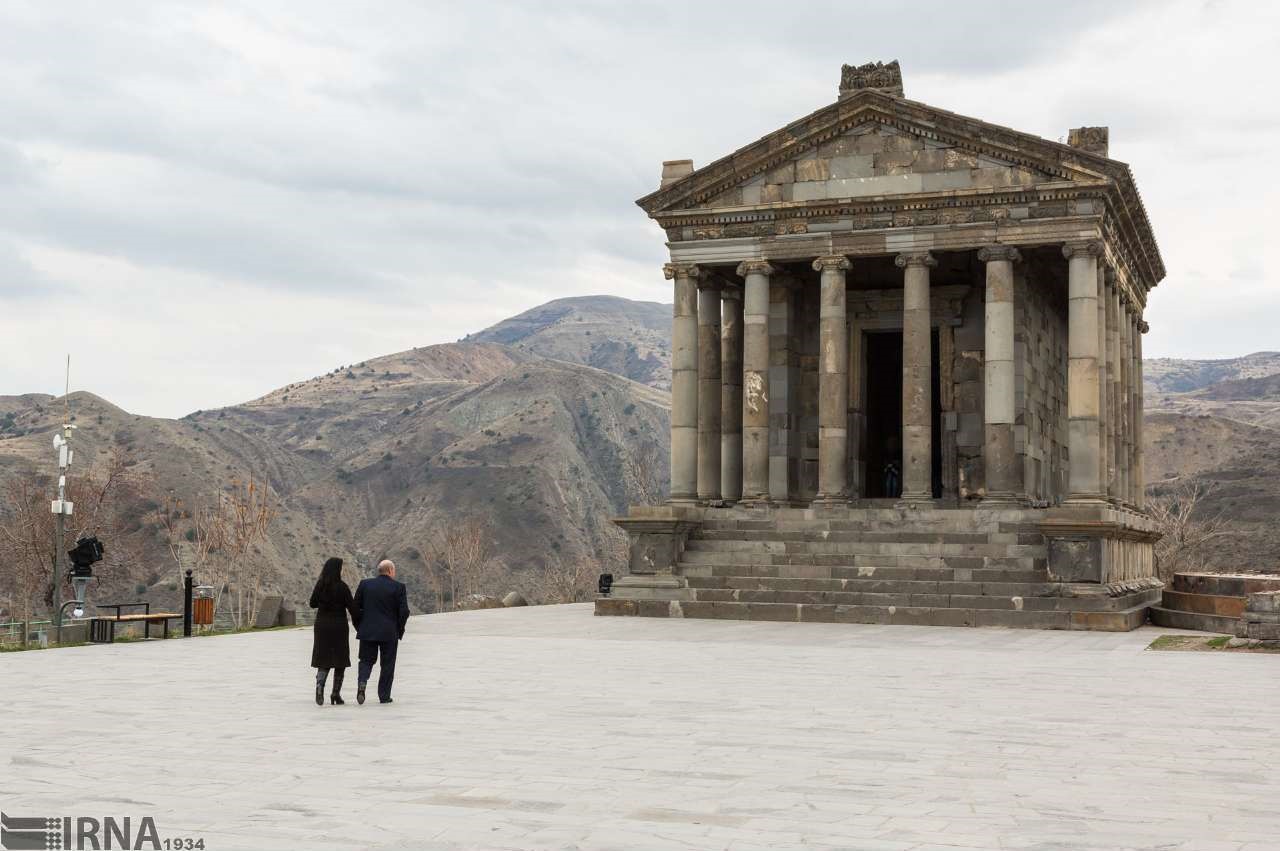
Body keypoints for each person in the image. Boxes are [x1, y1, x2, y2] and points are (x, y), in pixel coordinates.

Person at [353, 559, 410, 705]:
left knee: (366, 660)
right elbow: (404, 611)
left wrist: (360, 626)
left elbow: (355, 608)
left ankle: (362, 683)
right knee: (387, 664)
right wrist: (399, 629)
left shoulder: (365, 584)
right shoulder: (398, 587)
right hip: (389, 632)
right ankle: (384, 696)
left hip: (368, 631)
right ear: (390, 570)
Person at [309, 557, 360, 706]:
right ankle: (335, 694)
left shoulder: (320, 585)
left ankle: (320, 688)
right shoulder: (343, 587)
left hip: (322, 626)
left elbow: (312, 603)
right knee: (340, 660)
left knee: (323, 659)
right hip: (339, 627)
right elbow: (353, 609)